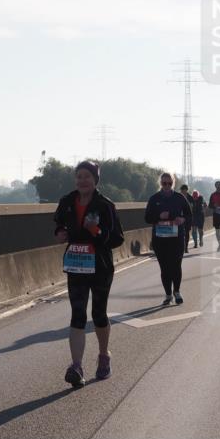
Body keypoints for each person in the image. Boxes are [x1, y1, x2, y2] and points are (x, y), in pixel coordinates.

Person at [53, 160, 124, 389]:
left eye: (87, 176)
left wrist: (97, 231)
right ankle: (76, 367)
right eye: (79, 176)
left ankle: (104, 356)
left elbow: (118, 238)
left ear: (95, 180)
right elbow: (58, 223)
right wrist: (60, 233)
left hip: (100, 265)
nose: (82, 180)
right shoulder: (67, 202)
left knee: (99, 313)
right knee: (77, 314)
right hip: (76, 265)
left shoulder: (105, 205)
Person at [145, 173, 193, 305]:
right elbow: (147, 218)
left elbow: (189, 215)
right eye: (164, 183)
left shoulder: (180, 198)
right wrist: (159, 216)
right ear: (160, 183)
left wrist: (182, 219)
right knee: (165, 268)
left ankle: (177, 292)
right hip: (160, 240)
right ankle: (168, 294)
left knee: (176, 266)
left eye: (169, 183)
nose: (167, 186)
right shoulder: (154, 199)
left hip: (176, 238)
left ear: (173, 183)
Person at [179, 185, 192, 254]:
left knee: (187, 232)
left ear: (186, 190)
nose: (182, 191)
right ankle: (181, 247)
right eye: (181, 190)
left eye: (184, 190)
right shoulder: (177, 197)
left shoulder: (190, 198)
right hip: (179, 217)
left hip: (187, 217)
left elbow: (192, 207)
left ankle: (186, 247)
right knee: (179, 233)